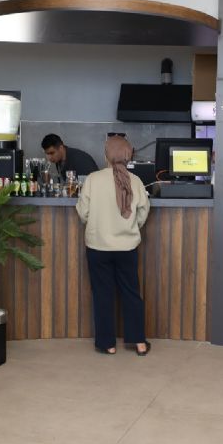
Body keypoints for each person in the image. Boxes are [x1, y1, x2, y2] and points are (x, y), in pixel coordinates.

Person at [76, 135, 151, 356]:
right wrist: (131, 227)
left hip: (98, 247)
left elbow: (83, 212)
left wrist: (96, 223)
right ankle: (139, 342)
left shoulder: (93, 179)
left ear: (106, 155)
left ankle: (107, 344)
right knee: (131, 293)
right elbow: (143, 211)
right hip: (127, 247)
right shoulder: (135, 180)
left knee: (103, 294)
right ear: (128, 155)